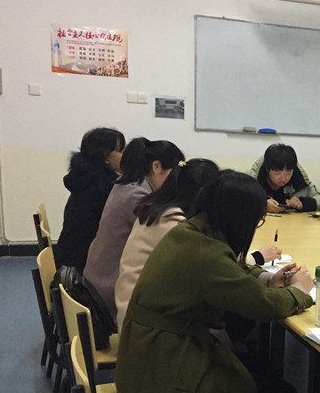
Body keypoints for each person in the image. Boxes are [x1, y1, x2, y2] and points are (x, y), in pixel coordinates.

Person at [114, 170, 314, 393]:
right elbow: (264, 306)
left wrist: (267, 278)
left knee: (258, 380)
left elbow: (230, 269)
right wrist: (301, 291)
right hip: (162, 370)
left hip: (146, 355)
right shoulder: (205, 253)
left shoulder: (192, 231)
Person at [83, 138, 184, 323]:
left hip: (97, 279)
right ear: (156, 166)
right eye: (174, 172)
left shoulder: (126, 185)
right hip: (109, 291)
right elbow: (170, 238)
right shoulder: (137, 196)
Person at [114, 158, 220, 328]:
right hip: (144, 326)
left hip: (137, 311)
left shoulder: (159, 208)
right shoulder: (171, 221)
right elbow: (210, 266)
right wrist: (257, 257)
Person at [56, 128, 125, 273]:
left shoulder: (85, 179)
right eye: (120, 151)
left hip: (70, 258)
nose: (125, 156)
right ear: (104, 155)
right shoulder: (101, 187)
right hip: (81, 266)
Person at [248, 143, 319, 213]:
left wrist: (303, 203)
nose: (283, 179)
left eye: (288, 173)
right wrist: (263, 205)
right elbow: (242, 202)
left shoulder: (300, 181)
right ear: (267, 169)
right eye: (277, 173)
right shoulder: (252, 181)